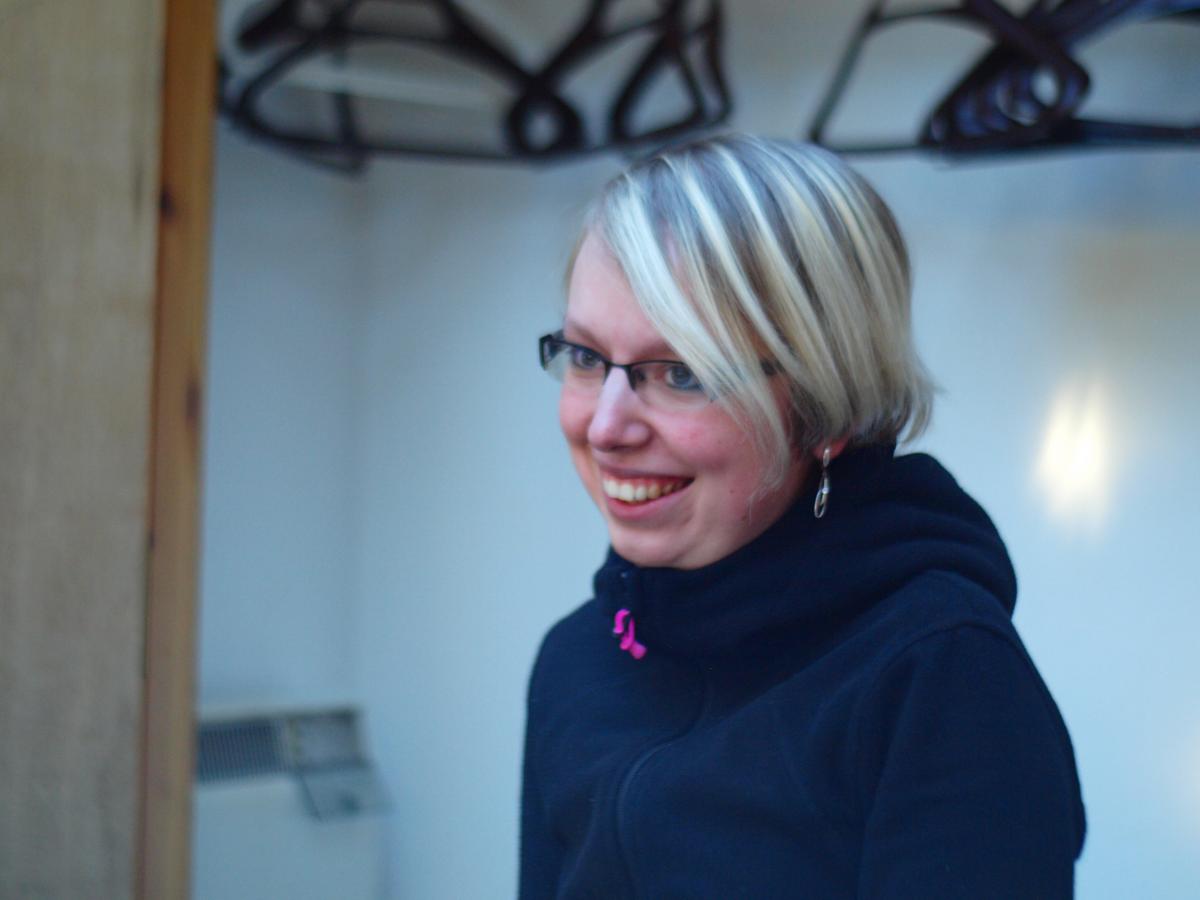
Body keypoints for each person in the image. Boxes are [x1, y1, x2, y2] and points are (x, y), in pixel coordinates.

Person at [520, 134, 1085, 898]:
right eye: (587, 358)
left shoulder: (939, 674)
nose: (606, 427)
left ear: (824, 411)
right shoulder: (577, 658)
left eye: (682, 372)